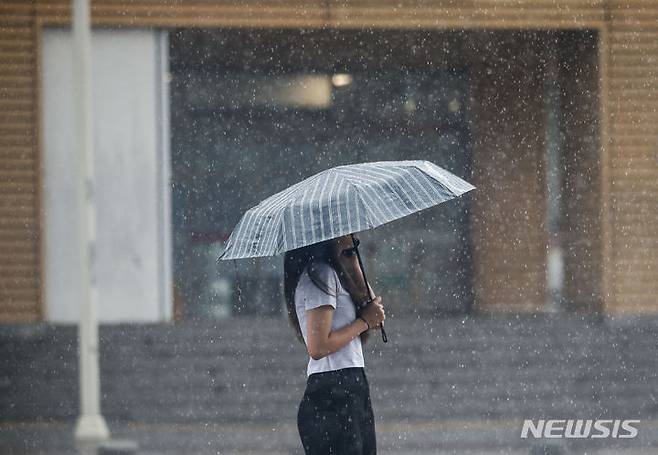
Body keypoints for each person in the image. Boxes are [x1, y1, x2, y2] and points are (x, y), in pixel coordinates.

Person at [284, 235, 386, 455]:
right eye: (345, 232)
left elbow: (372, 307)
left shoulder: (335, 274)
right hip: (333, 391)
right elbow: (318, 347)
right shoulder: (319, 274)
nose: (351, 234)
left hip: (351, 386)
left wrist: (352, 259)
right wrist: (364, 321)